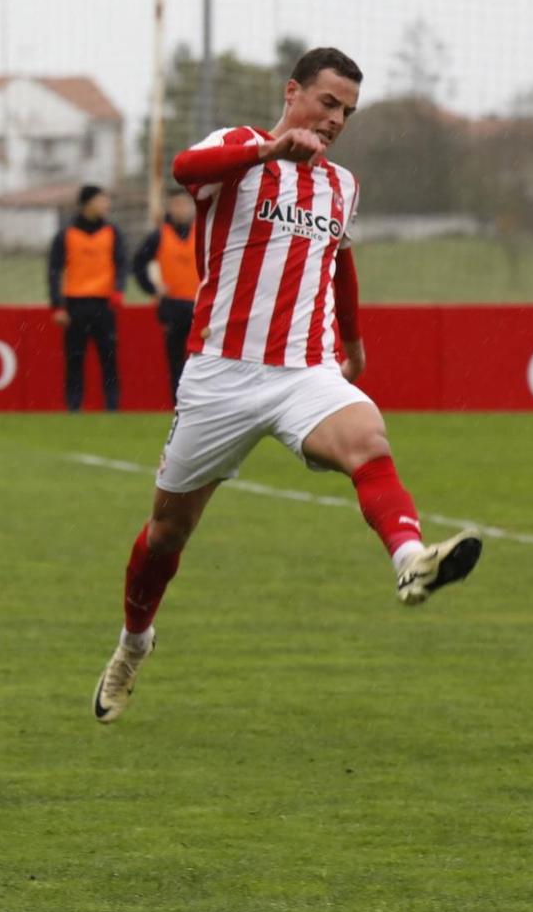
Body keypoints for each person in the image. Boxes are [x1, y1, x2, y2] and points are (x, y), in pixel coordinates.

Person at [91, 46, 483, 725]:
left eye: (347, 113)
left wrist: (353, 341)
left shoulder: (341, 185)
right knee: (166, 533)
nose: (335, 120)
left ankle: (411, 559)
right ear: (292, 90)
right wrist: (271, 149)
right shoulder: (239, 148)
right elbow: (185, 170)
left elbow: (338, 261)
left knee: (368, 437)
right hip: (221, 373)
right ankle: (133, 643)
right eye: (327, 103)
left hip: (305, 370)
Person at [48, 184, 127, 412]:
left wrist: (118, 290)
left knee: (109, 358)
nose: (106, 205)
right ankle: (74, 406)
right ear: (87, 203)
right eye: (101, 200)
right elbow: (54, 270)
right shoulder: (66, 234)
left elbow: (121, 264)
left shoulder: (112, 232)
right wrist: (58, 305)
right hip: (75, 304)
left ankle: (112, 406)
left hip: (104, 305)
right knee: (74, 359)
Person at [129, 186, 200, 405]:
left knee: (202, 359)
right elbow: (138, 264)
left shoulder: (203, 231)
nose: (182, 209)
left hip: (201, 305)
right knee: (175, 359)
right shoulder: (160, 235)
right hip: (172, 305)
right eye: (177, 204)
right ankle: (178, 403)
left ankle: (201, 403)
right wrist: (152, 288)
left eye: (186, 203)